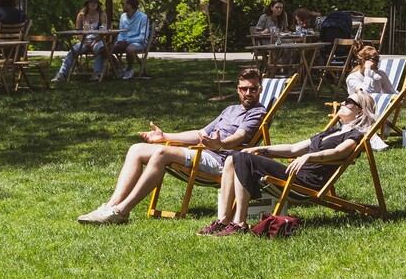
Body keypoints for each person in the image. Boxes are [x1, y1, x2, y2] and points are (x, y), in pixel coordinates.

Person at [76, 66, 268, 224]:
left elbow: (239, 136)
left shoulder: (257, 112)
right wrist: (164, 135)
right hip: (203, 152)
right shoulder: (230, 109)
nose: (248, 93)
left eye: (253, 89)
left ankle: (122, 211)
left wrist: (220, 144)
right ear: (237, 89)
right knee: (136, 149)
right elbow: (200, 133)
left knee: (161, 153)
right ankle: (111, 206)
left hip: (221, 161)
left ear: (260, 89)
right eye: (244, 89)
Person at [198, 88, 379, 235]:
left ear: (360, 110)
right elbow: (293, 148)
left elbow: (340, 152)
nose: (344, 103)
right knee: (232, 157)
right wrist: (262, 149)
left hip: (307, 182)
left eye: (350, 102)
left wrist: (309, 156)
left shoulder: (355, 135)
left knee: (241, 158)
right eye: (345, 99)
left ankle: (239, 223)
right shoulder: (331, 132)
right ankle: (223, 220)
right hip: (295, 174)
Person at [57, 0, 107, 82]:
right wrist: (84, 42)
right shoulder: (81, 15)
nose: (93, 4)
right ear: (87, 4)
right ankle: (62, 74)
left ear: (98, 4)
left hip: (98, 39)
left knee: (99, 49)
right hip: (84, 40)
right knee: (73, 50)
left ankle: (96, 74)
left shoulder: (102, 15)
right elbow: (78, 31)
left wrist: (95, 41)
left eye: (95, 2)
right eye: (91, 2)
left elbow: (104, 31)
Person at [113, 0, 151, 78]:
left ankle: (129, 70)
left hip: (139, 43)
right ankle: (119, 67)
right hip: (124, 41)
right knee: (104, 48)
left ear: (130, 5)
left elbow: (143, 37)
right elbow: (121, 32)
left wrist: (127, 41)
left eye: (123, 4)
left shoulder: (143, 17)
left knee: (130, 49)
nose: (122, 5)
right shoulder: (123, 16)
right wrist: (120, 41)